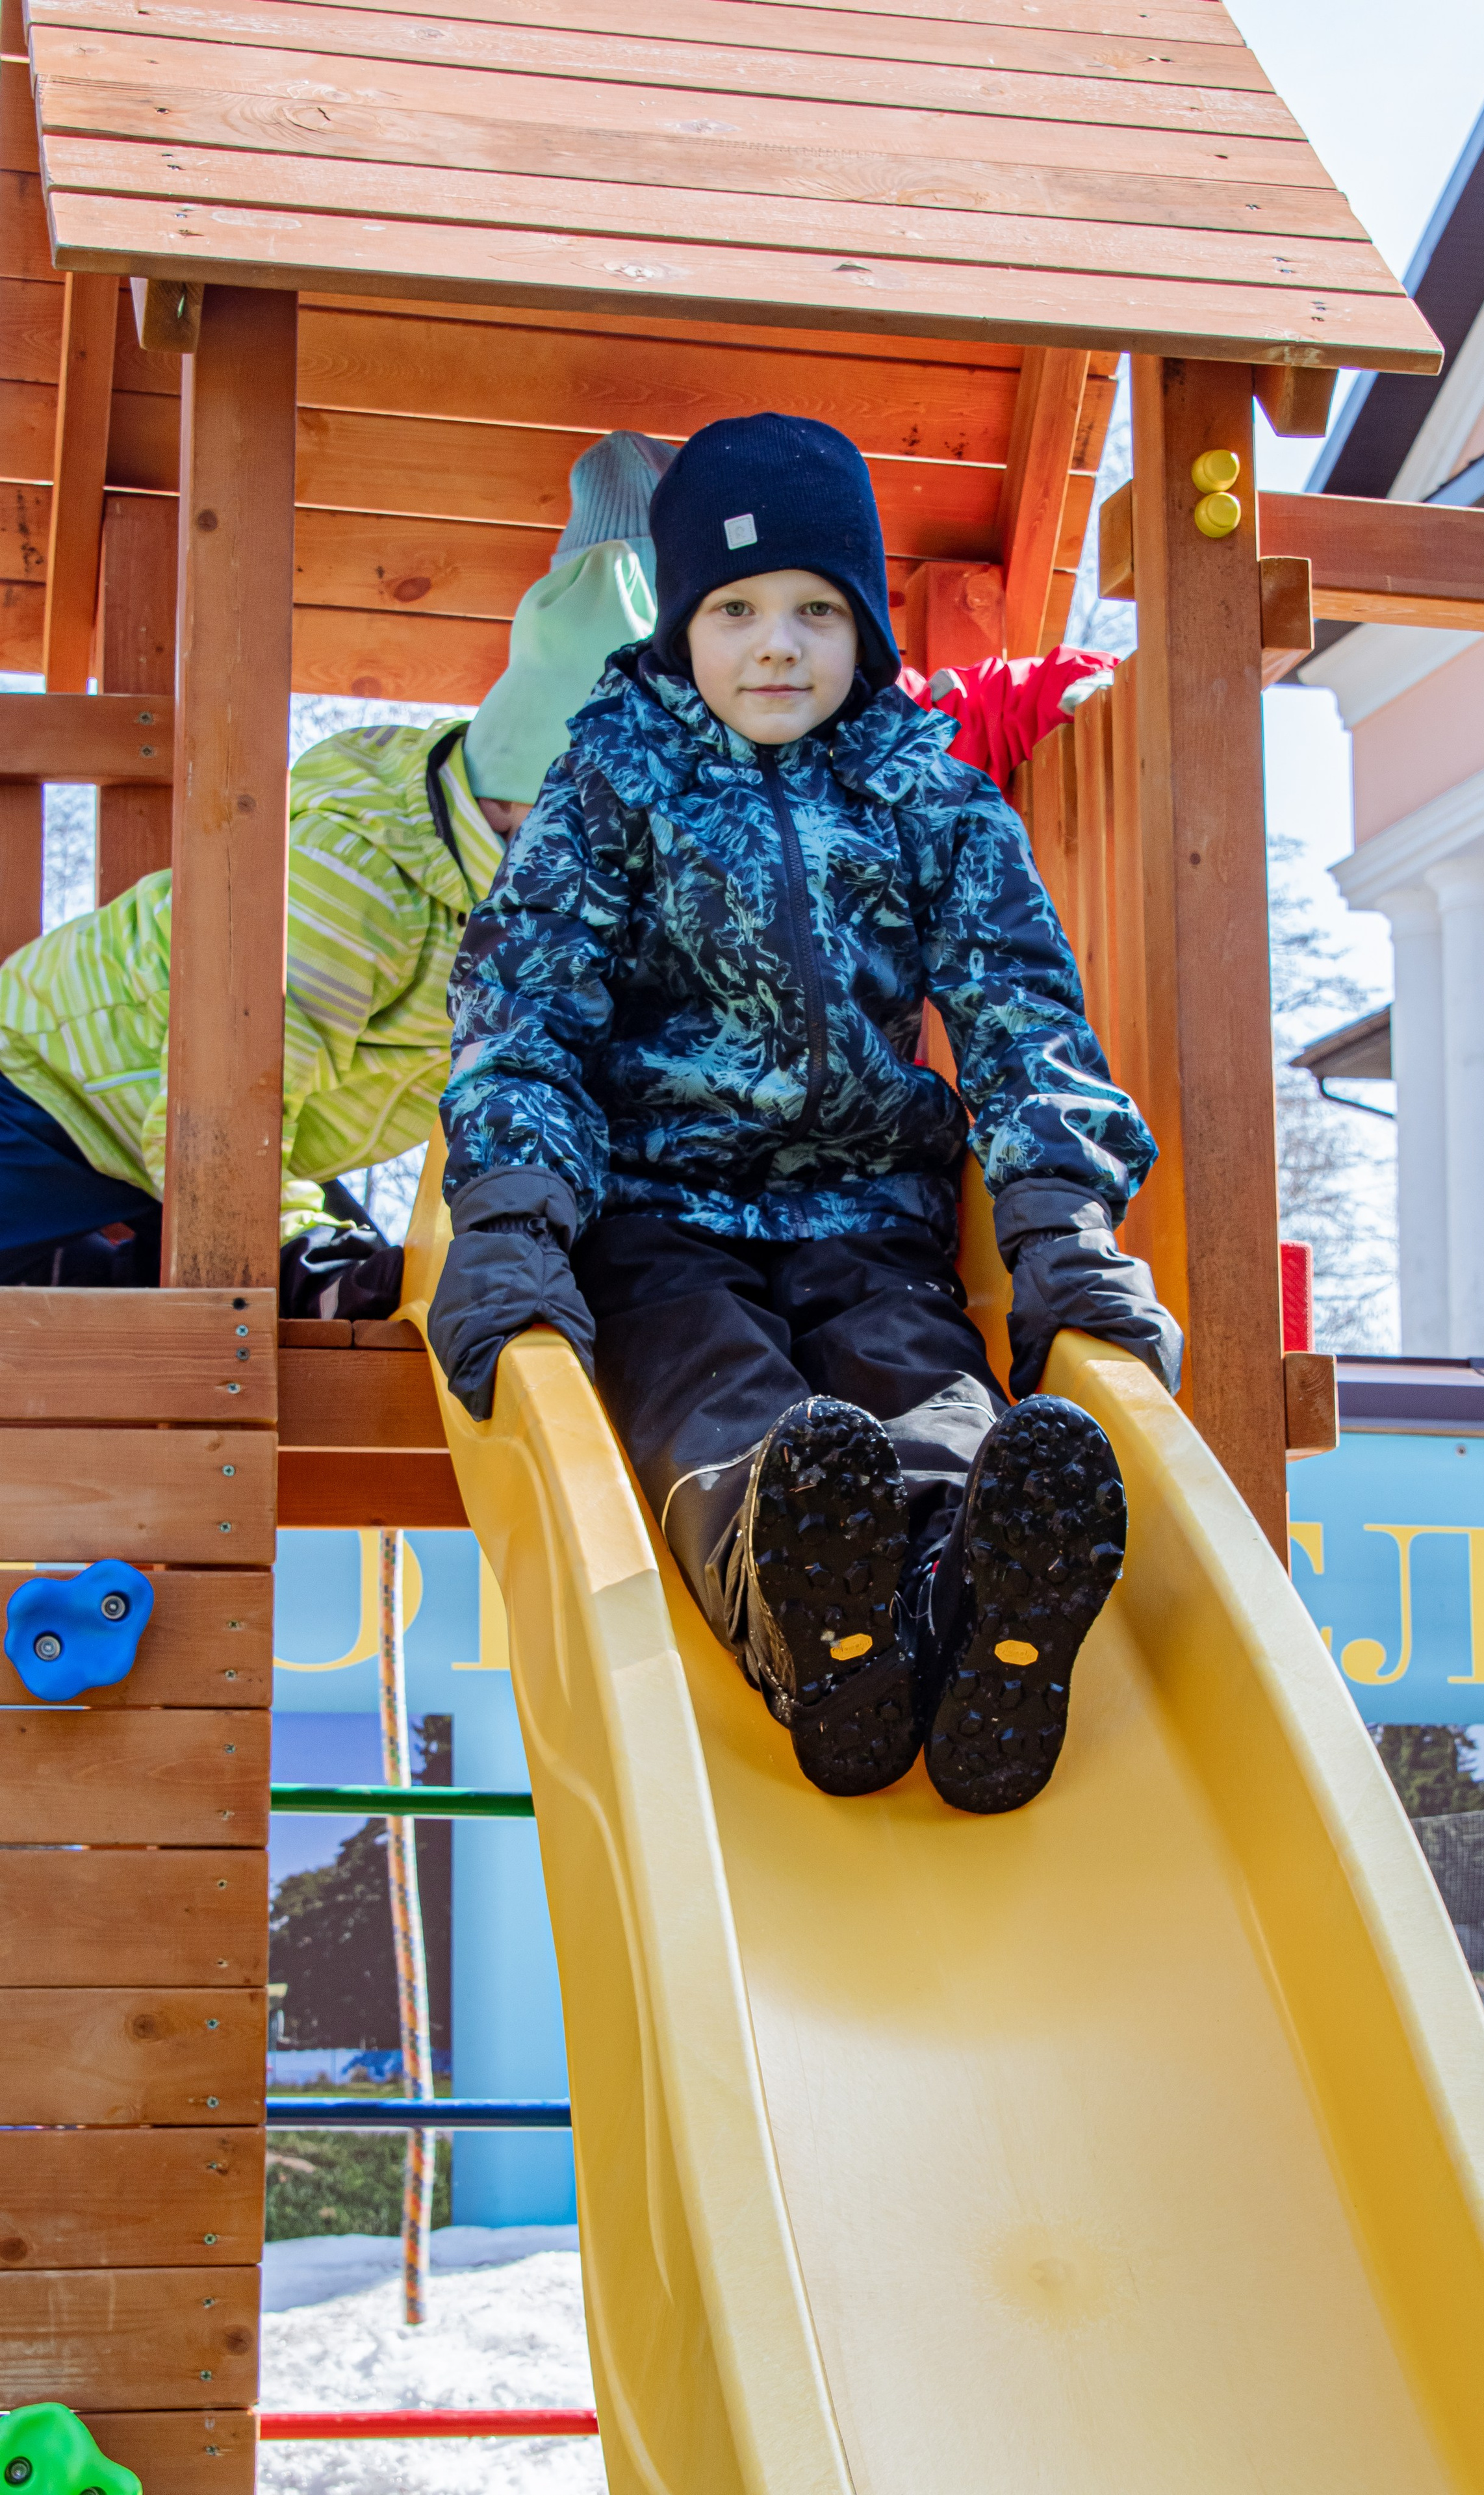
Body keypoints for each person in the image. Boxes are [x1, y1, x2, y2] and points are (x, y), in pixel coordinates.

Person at [430, 412, 1181, 1818]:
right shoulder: (611, 789)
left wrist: (1062, 1229)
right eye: (734, 610)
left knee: (923, 1384)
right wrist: (513, 1225)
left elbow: (1023, 1020)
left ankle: (969, 1606)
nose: (776, 646)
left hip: (871, 1215)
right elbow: (523, 1012)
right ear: (678, 628)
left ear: (865, 630)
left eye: (816, 610)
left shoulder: (930, 802)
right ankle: (804, 1613)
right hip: (657, 1212)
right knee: (716, 1391)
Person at [0, 430, 676, 1310]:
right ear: (517, 805)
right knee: (271, 1277)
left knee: (378, 1281)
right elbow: (223, 1095)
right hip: (55, 1099)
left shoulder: (548, 914)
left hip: (177, 1155)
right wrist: (300, 1254)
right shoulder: (359, 870)